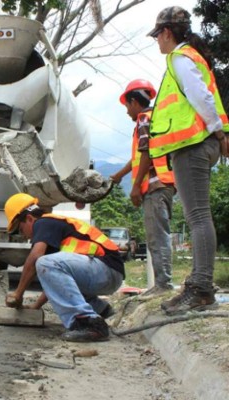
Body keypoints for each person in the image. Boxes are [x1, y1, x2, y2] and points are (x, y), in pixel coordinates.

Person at [147, 6, 228, 315]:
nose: (157, 42)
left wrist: (219, 133)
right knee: (198, 216)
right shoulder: (189, 58)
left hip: (194, 145)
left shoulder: (180, 59)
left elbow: (202, 99)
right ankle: (198, 285)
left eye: (157, 36)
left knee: (197, 217)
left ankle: (201, 289)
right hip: (195, 145)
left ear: (166, 33)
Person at [4, 193, 124, 342]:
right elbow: (56, 282)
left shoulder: (43, 222)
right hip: (106, 273)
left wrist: (18, 293)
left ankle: (88, 323)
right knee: (49, 267)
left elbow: (35, 258)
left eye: (20, 230)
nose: (23, 236)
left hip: (105, 269)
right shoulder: (54, 229)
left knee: (43, 262)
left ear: (29, 219)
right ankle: (100, 310)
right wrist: (36, 306)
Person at [111, 79, 175, 296]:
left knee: (158, 237)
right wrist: (119, 175)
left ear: (133, 102)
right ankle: (161, 284)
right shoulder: (154, 118)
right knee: (157, 236)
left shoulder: (143, 120)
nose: (127, 111)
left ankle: (163, 286)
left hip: (155, 186)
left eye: (127, 106)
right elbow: (139, 156)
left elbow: (147, 154)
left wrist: (136, 186)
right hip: (163, 184)